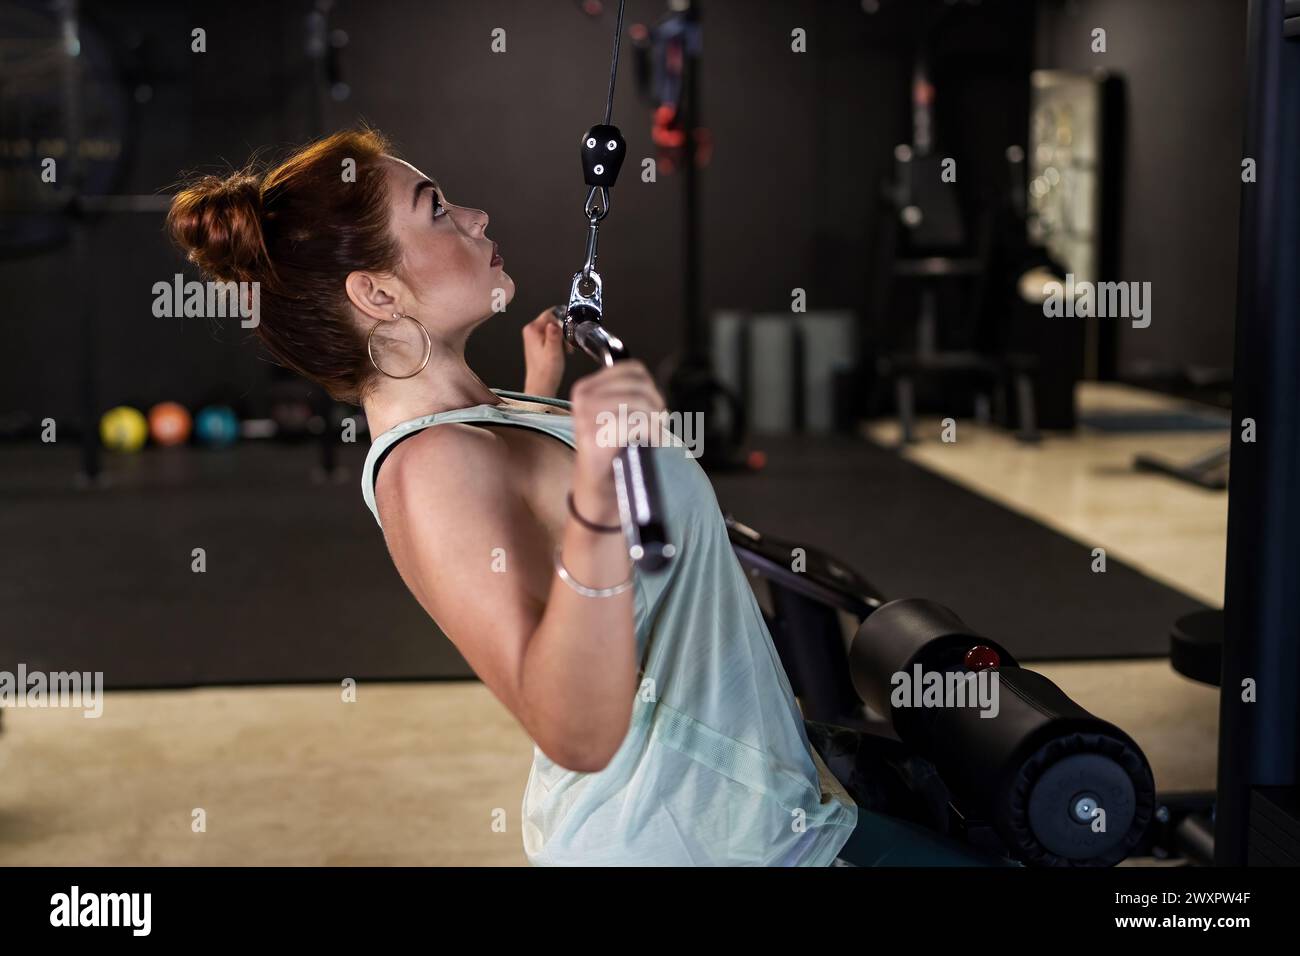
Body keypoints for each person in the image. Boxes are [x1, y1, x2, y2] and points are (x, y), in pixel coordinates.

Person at [167, 127, 987, 866]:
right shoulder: (430, 470)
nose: (478, 216)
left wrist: (542, 396)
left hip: (761, 817)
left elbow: (531, 516)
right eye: (439, 210)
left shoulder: (485, 419)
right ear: (378, 295)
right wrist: (597, 493)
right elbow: (571, 729)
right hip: (687, 844)